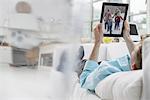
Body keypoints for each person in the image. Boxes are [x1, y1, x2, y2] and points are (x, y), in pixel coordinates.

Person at [79, 21, 142, 91]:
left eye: (138, 46)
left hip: (91, 69)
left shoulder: (105, 71)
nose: (135, 46)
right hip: (104, 63)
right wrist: (126, 36)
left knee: (78, 64)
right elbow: (138, 56)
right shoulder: (139, 65)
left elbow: (84, 80)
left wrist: (97, 42)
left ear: (133, 65)